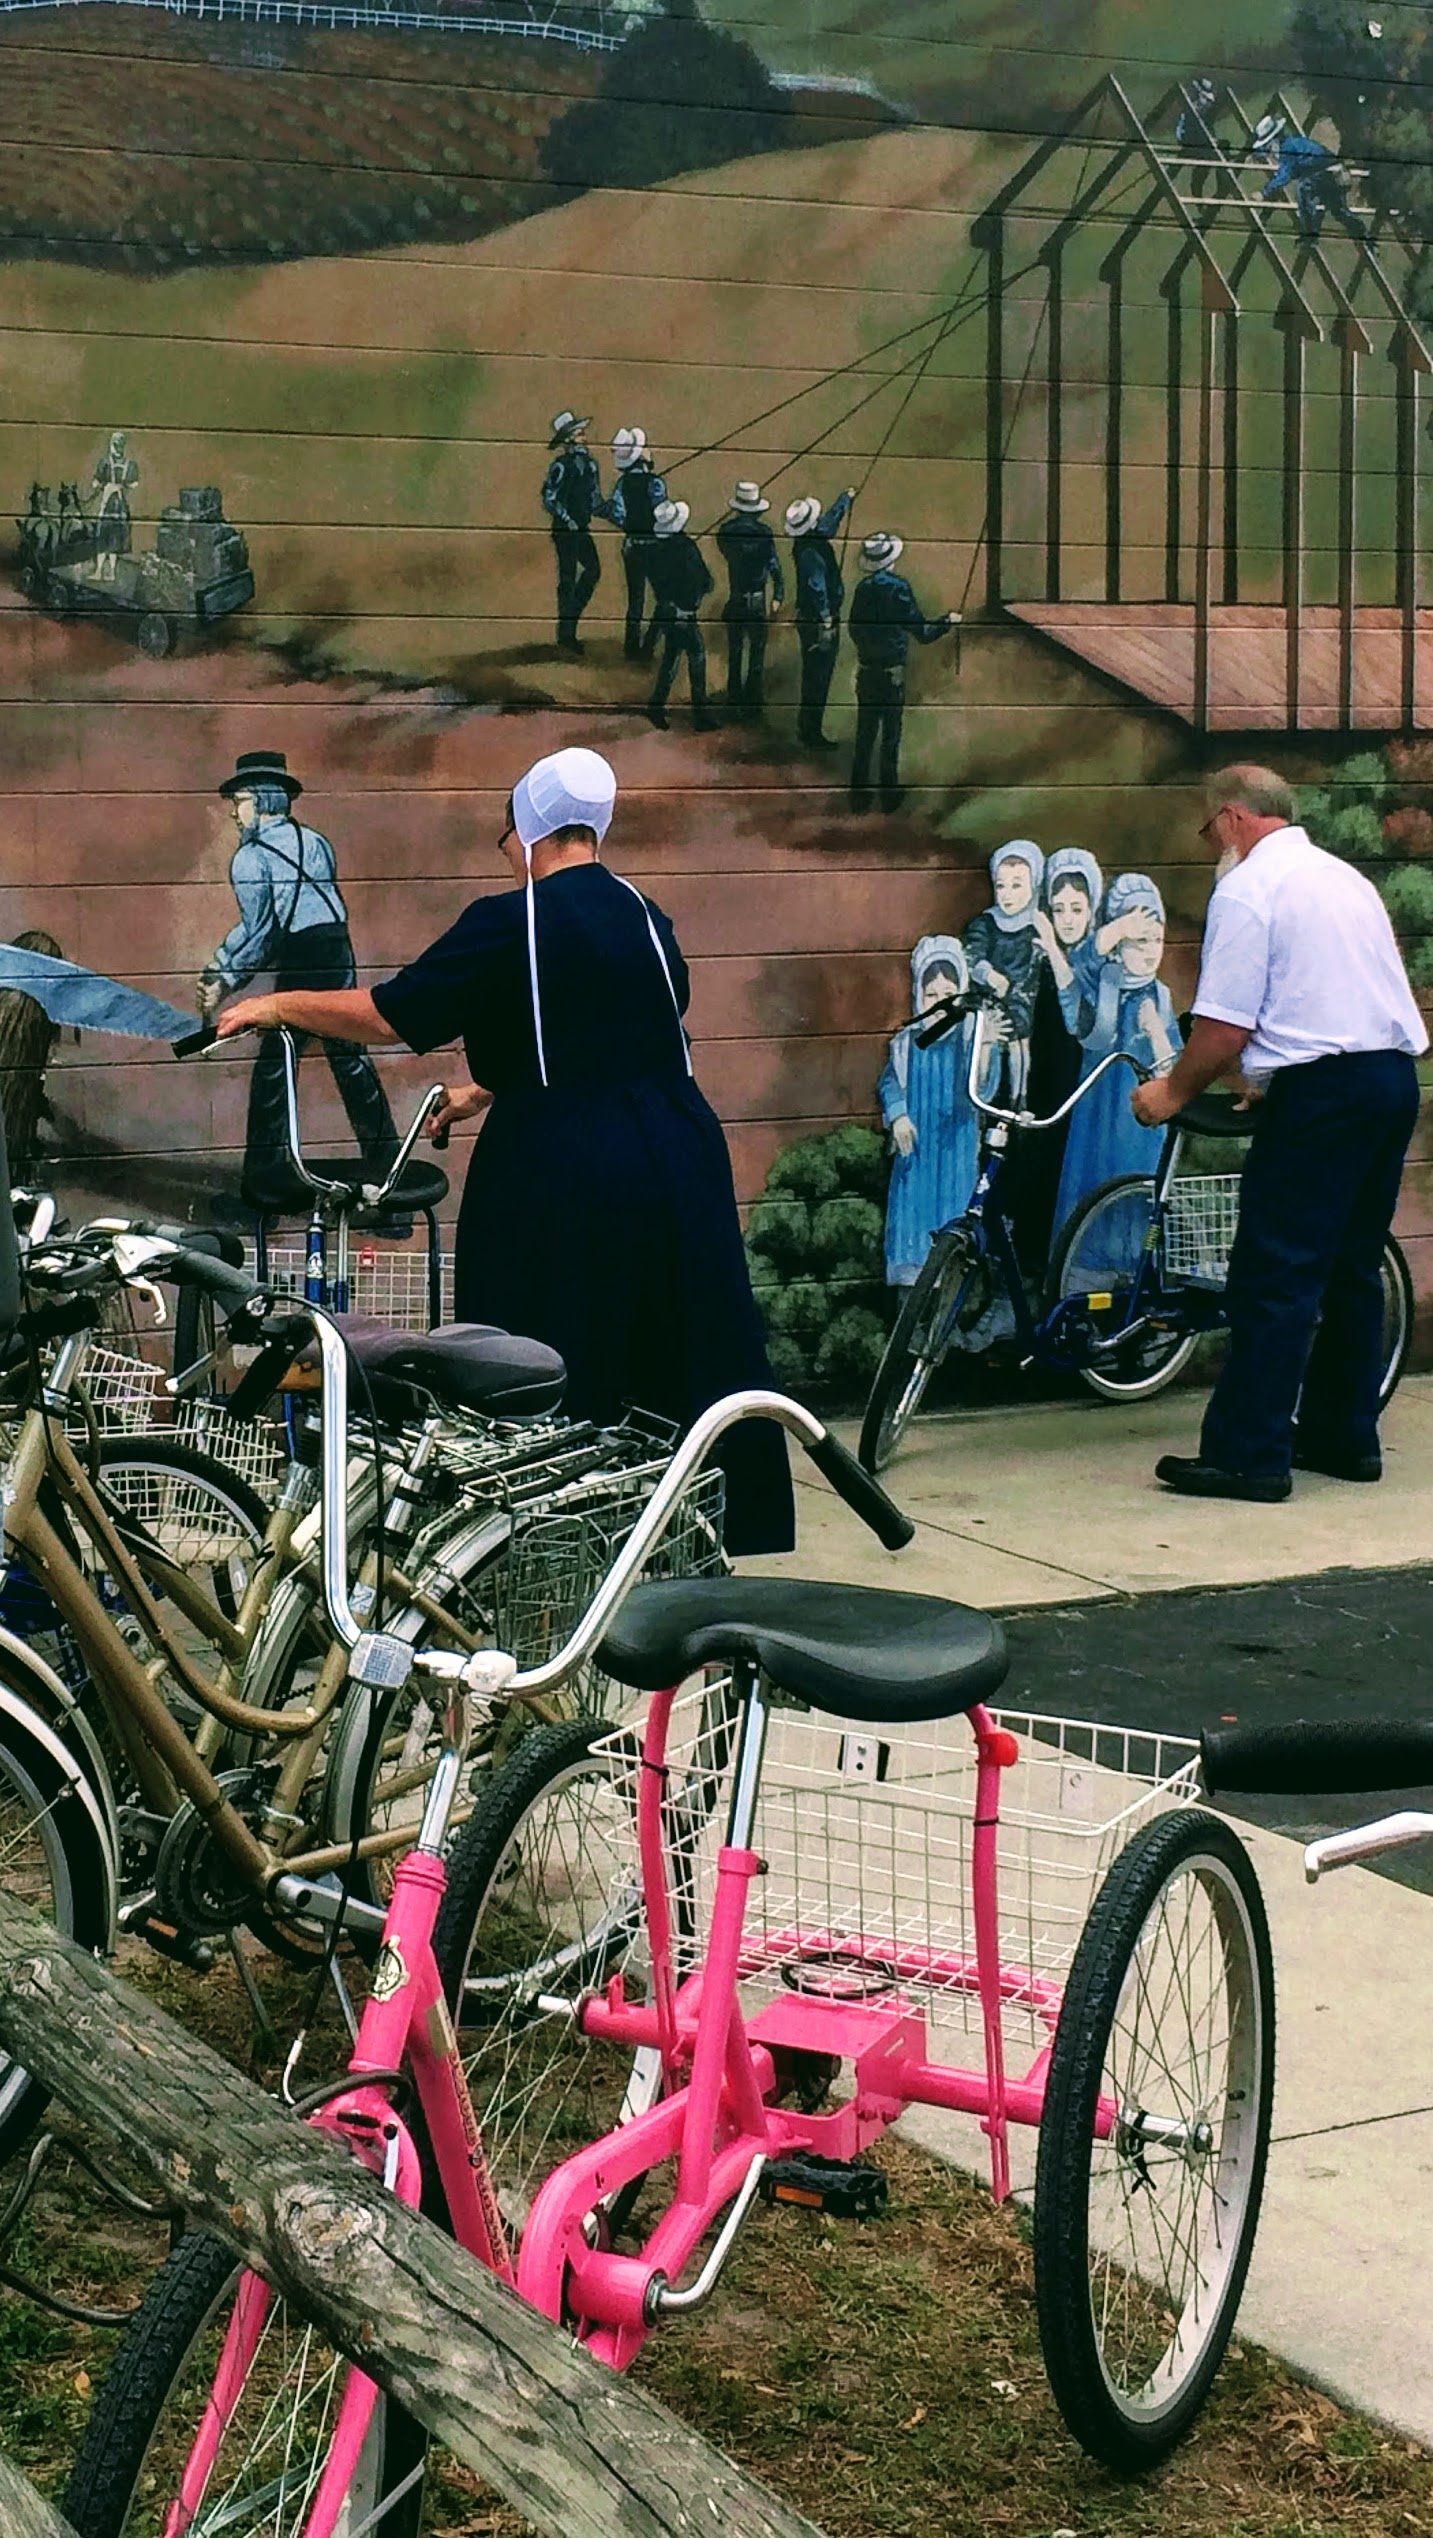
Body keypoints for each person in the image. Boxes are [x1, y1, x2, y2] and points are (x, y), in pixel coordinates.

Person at [212, 748, 795, 1557]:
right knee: (677, 1330)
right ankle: (674, 1522)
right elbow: (617, 1033)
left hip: (566, 1163)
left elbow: (391, 1015)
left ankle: (544, 1534)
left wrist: (277, 1002)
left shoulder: (507, 920)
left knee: (543, 1341)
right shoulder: (642, 914)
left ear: (528, 831)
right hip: (679, 1151)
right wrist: (482, 1089)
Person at [1132, 764, 1426, 1502]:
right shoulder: (1342, 879)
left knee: (1275, 1271)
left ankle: (1247, 1455)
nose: (1211, 848)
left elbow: (1223, 1019)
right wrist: (1253, 1070)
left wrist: (1173, 1090)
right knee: (1350, 1265)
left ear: (1231, 817)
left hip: (1321, 1097)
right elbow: (1320, 997)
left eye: (1208, 831)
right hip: (1387, 1081)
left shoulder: (1248, 887)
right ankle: (1341, 1435)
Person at [197, 749, 399, 1213]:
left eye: (241, 800)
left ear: (265, 801)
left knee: (275, 1067)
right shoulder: (316, 842)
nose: (234, 811)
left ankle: (263, 1189)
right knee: (350, 1061)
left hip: (303, 959)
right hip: (337, 951)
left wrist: (221, 975)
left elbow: (260, 931)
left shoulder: (249, 859)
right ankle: (389, 1183)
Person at [1051, 871, 1180, 1243]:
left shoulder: (1161, 996)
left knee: (1138, 1183)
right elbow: (1081, 961)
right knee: (1094, 1180)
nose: (1150, 950)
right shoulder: (1104, 982)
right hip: (1100, 1109)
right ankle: (1086, 1273)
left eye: (1156, 939)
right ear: (1120, 945)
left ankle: (1135, 1273)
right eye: (1138, 941)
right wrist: (1119, 926)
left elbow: (1172, 1064)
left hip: (1141, 1117)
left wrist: (1156, 1031)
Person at [878, 935, 979, 1287]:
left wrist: (988, 1046)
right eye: (931, 994)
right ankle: (912, 1314)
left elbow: (984, 1085)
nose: (939, 1004)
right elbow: (891, 1082)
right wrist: (899, 1114)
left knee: (954, 1228)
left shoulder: (970, 1042)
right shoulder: (908, 1043)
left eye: (947, 994)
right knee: (914, 1230)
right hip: (918, 1158)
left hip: (955, 1154)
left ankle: (949, 1320)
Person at [847, 533, 960, 813]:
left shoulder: (863, 589)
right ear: (891, 559)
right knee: (890, 736)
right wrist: (948, 622)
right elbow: (922, 632)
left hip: (867, 671)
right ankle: (888, 795)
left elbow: (854, 628)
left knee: (865, 734)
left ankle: (859, 796)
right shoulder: (898, 588)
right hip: (891, 674)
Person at [962, 839, 1046, 1108]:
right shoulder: (985, 924)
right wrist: (988, 974)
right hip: (991, 1010)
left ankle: (1020, 1103)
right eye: (1001, 885)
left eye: (1017, 885)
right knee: (988, 1064)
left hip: (1026, 1011)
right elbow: (971, 956)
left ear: (1033, 886)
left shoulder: (1039, 928)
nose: (1007, 894)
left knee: (1024, 1059)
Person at [786, 488, 854, 750]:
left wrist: (844, 499)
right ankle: (810, 731)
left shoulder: (811, 540)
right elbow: (816, 588)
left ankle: (809, 727)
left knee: (817, 675)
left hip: (813, 619)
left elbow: (828, 524)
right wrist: (826, 619)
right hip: (817, 621)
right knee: (817, 677)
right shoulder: (810, 552)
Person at [541, 409, 611, 655]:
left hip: (581, 528)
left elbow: (595, 501)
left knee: (593, 570)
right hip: (565, 530)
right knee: (568, 578)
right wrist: (566, 518)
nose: (584, 436)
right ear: (569, 439)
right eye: (578, 433)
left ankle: (570, 618)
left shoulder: (591, 465)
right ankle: (566, 633)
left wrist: (611, 511)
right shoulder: (560, 466)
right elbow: (549, 497)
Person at [646, 500, 717, 732]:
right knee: (696, 658)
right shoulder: (686, 548)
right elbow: (705, 581)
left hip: (666, 611)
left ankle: (657, 706)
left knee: (671, 658)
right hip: (684, 614)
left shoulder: (656, 551)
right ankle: (699, 714)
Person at [715, 480, 783, 722]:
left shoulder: (726, 532)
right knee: (756, 653)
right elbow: (774, 566)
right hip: (756, 601)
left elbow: (723, 542)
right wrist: (778, 595)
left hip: (736, 599)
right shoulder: (764, 534)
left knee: (735, 653)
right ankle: (752, 703)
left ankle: (734, 699)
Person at [609, 426, 666, 660]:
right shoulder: (655, 484)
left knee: (635, 601)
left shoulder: (621, 485)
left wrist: (631, 525)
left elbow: (617, 513)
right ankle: (649, 645)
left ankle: (631, 649)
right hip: (653, 547)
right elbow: (662, 514)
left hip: (632, 546)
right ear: (642, 455)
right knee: (663, 598)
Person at [1257, 127, 1366, 242]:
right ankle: (1362, 232)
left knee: (1303, 190)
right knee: (1338, 211)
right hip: (1336, 173)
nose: (1270, 154)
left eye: (1268, 148)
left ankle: (1309, 234)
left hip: (1328, 174)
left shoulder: (1288, 148)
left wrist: (1264, 193)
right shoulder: (1296, 144)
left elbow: (1285, 174)